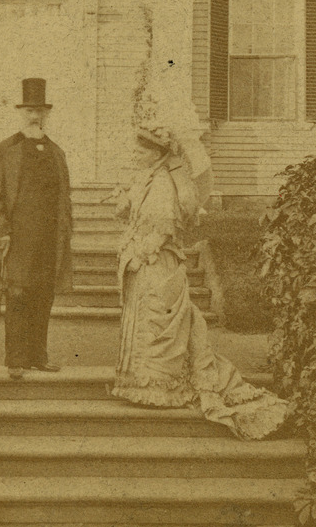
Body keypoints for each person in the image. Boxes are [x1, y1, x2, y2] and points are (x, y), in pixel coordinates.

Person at [108, 119, 288, 440]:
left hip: (158, 262)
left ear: (156, 153)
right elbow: (138, 217)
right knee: (148, 321)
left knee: (157, 320)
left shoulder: (164, 182)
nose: (134, 153)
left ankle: (161, 388)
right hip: (146, 264)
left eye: (140, 148)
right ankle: (143, 383)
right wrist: (125, 205)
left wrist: (139, 253)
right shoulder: (147, 178)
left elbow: (163, 228)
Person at [0, 78, 75, 377]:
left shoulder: (57, 152)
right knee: (18, 296)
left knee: (44, 295)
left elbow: (64, 197)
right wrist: (1, 231)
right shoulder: (6, 149)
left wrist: (66, 231)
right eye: (30, 111)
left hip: (49, 238)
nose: (35, 116)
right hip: (17, 238)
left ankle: (39, 356)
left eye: (40, 111)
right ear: (21, 113)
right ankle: (16, 361)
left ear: (47, 114)